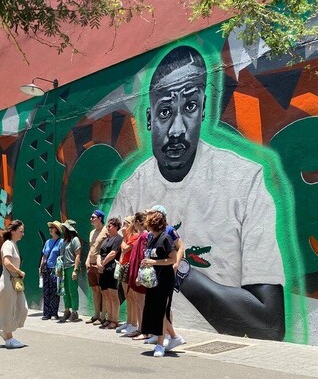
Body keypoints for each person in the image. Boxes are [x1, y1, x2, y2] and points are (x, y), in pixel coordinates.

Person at [109, 45, 286, 340]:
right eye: (165, 112)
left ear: (203, 110)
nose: (177, 129)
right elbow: (116, 282)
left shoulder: (244, 182)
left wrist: (178, 271)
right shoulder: (132, 190)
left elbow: (269, 323)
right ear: (150, 119)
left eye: (190, 107)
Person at [139, 209, 178, 357]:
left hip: (164, 280)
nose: (145, 222)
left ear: (153, 222)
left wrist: (154, 262)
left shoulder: (165, 238)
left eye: (147, 220)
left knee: (160, 311)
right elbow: (149, 258)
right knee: (154, 311)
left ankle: (160, 345)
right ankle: (174, 337)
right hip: (153, 280)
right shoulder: (151, 238)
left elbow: (173, 259)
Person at [0, 220, 28, 348]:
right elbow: (7, 263)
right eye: (20, 231)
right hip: (9, 281)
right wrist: (19, 272)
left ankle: (5, 332)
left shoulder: (13, 244)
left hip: (14, 282)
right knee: (9, 309)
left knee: (22, 307)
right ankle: (9, 338)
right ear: (12, 231)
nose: (23, 234)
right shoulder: (8, 244)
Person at [96, 217, 123, 329]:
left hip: (111, 269)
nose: (107, 227)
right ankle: (109, 318)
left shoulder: (118, 239)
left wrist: (103, 264)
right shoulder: (106, 239)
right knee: (106, 294)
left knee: (113, 294)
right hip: (103, 270)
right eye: (107, 226)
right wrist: (99, 264)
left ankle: (114, 320)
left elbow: (113, 253)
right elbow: (99, 253)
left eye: (110, 226)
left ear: (116, 227)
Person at [116, 214, 140, 334]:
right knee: (127, 296)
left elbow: (125, 248)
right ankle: (129, 322)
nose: (124, 225)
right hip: (123, 266)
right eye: (124, 222)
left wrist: (124, 237)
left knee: (132, 296)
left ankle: (134, 323)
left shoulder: (134, 236)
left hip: (130, 267)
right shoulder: (126, 237)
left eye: (127, 223)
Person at [57, 220, 82, 323]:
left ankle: (74, 312)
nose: (63, 229)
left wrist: (75, 270)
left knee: (72, 290)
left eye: (65, 228)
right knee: (65, 290)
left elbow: (78, 255)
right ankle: (67, 310)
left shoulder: (75, 240)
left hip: (72, 267)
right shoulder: (65, 241)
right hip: (64, 268)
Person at [84, 210, 106, 324]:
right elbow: (91, 248)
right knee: (95, 289)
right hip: (91, 263)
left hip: (100, 263)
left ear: (100, 218)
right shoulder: (92, 232)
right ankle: (96, 314)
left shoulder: (106, 230)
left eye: (93, 217)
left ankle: (103, 316)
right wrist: (87, 260)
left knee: (103, 290)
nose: (91, 219)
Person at [38, 221, 63, 320]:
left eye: (52, 228)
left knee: (55, 291)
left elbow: (62, 256)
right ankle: (46, 313)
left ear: (56, 230)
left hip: (55, 269)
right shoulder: (48, 242)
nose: (50, 229)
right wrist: (41, 267)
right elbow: (44, 255)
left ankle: (54, 312)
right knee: (46, 291)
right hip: (46, 269)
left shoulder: (61, 242)